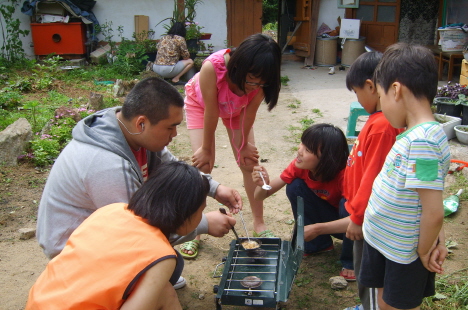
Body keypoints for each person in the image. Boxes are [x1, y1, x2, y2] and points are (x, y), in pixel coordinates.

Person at [36, 77, 240, 289]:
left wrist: (215, 189)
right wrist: (203, 224)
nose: (175, 134)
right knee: (160, 261)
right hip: (72, 249)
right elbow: (138, 232)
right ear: (141, 123)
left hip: (103, 232)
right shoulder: (108, 166)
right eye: (171, 127)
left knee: (171, 264)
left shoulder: (134, 134)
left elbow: (172, 168)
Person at [11, 161, 208, 310]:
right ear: (185, 213)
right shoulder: (162, 254)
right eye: (201, 210)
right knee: (162, 292)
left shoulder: (112, 211)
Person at [354, 43, 450, 310]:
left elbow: (433, 210)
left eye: (380, 97)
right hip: (386, 243)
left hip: (405, 254)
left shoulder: (422, 142)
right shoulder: (416, 135)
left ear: (396, 90)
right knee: (384, 306)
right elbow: (426, 200)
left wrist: (426, 250)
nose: (380, 105)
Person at [304, 52, 401, 310]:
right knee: (362, 267)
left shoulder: (384, 125)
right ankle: (367, 307)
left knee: (370, 270)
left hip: (368, 214)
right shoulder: (374, 119)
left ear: (372, 86)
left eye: (357, 92)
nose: (357, 98)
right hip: (357, 207)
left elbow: (372, 177)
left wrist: (357, 217)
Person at [182, 33, 281, 257]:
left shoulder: (261, 80)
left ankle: (259, 223)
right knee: (202, 168)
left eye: (261, 83)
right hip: (202, 106)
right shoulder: (212, 68)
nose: (255, 86)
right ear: (239, 66)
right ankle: (195, 229)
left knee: (249, 163)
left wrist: (244, 144)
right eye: (251, 80)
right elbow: (211, 110)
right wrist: (207, 149)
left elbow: (250, 112)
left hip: (238, 111)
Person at [252, 123, 349, 255]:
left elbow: (359, 219)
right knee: (295, 186)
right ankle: (317, 245)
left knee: (346, 205)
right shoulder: (299, 166)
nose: (299, 150)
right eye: (302, 143)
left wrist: (317, 229)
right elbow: (260, 196)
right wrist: (262, 184)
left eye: (308, 149)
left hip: (351, 227)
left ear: (326, 158)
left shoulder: (346, 175)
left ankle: (351, 260)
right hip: (331, 218)